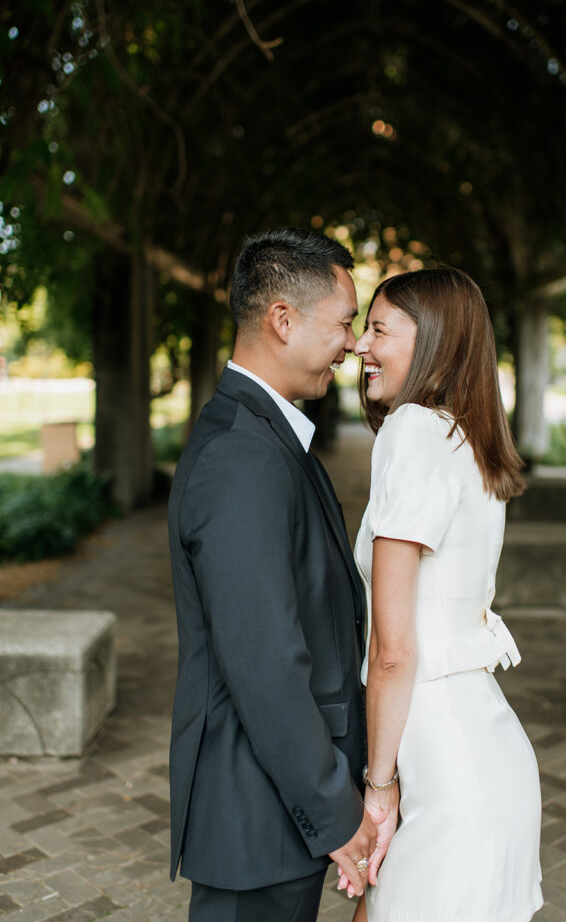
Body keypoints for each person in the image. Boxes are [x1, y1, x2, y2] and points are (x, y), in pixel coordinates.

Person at [168, 228, 378, 922]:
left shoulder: (265, 433)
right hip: (256, 813)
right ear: (282, 320)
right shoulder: (243, 456)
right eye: (345, 322)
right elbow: (264, 660)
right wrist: (335, 811)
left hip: (273, 809)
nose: (352, 344)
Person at [347, 267, 543, 922]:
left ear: (431, 340)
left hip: (444, 767)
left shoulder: (413, 432)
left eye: (378, 329)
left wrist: (378, 788)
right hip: (481, 751)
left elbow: (394, 650)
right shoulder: (467, 438)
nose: (360, 346)